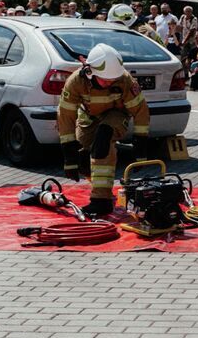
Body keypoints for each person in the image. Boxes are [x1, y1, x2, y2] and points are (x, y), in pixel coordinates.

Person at [56, 44, 150, 217]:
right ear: (90, 72)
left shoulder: (124, 79)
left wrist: (140, 145)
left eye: (112, 80)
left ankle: (101, 201)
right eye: (105, 80)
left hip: (115, 115)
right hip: (89, 117)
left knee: (103, 142)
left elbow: (141, 111)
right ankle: (98, 184)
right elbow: (65, 116)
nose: (109, 83)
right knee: (83, 156)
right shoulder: (76, 82)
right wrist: (69, 155)